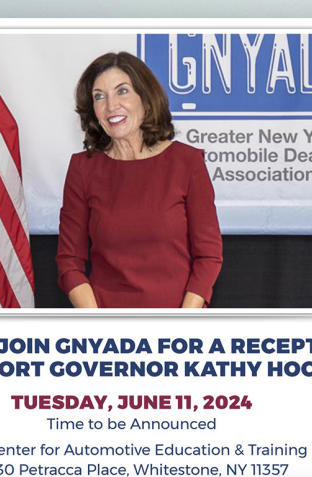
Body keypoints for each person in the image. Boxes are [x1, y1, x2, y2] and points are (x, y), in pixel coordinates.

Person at [56, 52, 222, 308]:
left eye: (122, 91)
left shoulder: (187, 163)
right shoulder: (83, 168)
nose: (111, 106)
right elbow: (69, 261)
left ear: (145, 99)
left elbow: (208, 256)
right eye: (99, 96)